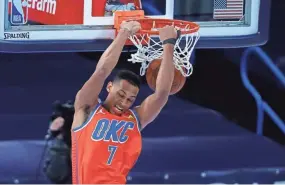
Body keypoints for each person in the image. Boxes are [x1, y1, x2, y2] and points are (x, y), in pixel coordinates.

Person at [71, 20, 177, 184]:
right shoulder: (87, 109)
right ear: (109, 87)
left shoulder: (135, 118)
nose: (123, 102)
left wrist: (169, 45)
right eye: (120, 95)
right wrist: (124, 33)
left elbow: (162, 94)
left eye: (130, 99)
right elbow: (101, 72)